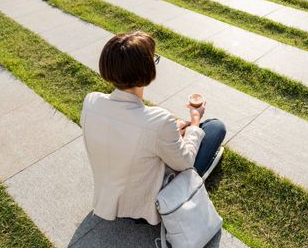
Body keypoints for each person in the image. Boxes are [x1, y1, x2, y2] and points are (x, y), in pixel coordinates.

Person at [80, 31, 226, 225]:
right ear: (146, 72)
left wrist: (172, 130)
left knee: (182, 131)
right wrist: (194, 122)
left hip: (110, 200)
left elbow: (127, 132)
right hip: (149, 206)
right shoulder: (158, 120)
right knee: (215, 128)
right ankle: (196, 181)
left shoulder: (91, 101)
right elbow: (185, 162)